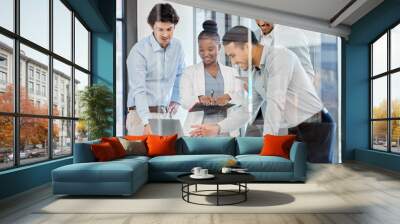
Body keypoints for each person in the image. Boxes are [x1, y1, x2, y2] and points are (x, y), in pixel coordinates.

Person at [192, 25, 335, 163]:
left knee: (317, 176)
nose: (233, 62)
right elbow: (248, 110)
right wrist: (218, 127)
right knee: (300, 176)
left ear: (247, 46)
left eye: (233, 55)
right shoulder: (256, 73)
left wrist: (268, 147)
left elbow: (275, 103)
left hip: (316, 125)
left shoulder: (280, 57)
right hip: (296, 127)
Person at [126, 3, 185, 135]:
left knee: (173, 153)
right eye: (160, 29)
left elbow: (180, 74)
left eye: (169, 29)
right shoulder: (138, 51)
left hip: (164, 115)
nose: (165, 34)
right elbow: (138, 89)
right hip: (139, 116)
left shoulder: (177, 47)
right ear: (153, 27)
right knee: (143, 155)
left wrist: (176, 99)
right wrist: (146, 122)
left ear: (174, 26)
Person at [180, 20, 246, 137]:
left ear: (219, 47)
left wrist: (229, 97)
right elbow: (184, 101)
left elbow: (241, 99)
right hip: (199, 131)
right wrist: (199, 98)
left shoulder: (232, 72)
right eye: (201, 50)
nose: (206, 54)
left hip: (226, 131)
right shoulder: (189, 72)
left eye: (210, 49)